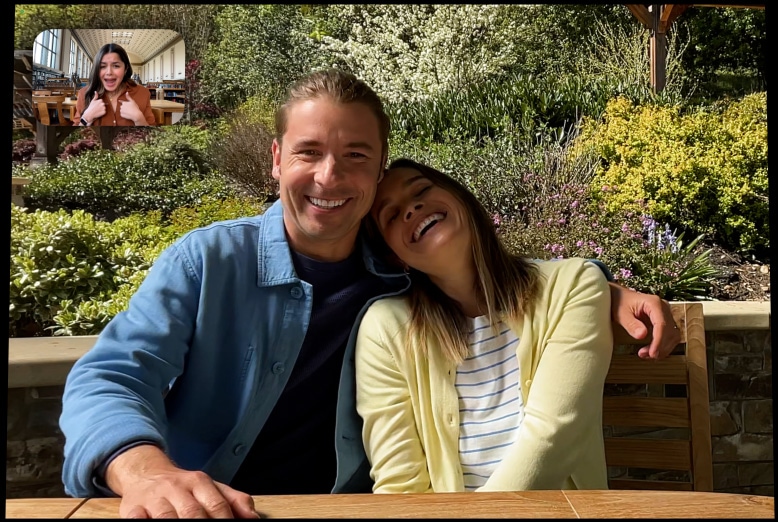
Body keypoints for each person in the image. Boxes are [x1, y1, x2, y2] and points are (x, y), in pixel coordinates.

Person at [59, 68, 680, 519]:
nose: (329, 177)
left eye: (355, 156)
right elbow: (111, 376)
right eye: (309, 152)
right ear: (276, 159)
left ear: (379, 170)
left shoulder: (400, 270)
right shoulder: (208, 262)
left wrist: (603, 288)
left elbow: (489, 272)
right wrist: (146, 472)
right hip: (209, 506)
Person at [357, 158, 615, 493]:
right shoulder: (384, 329)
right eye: (391, 215)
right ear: (394, 257)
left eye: (421, 190)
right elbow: (400, 485)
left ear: (461, 197)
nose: (411, 208)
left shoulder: (573, 285)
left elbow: (553, 437)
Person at [72, 43, 155, 127]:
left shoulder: (142, 93)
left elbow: (153, 133)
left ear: (126, 69)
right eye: (102, 66)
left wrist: (139, 118)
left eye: (116, 66)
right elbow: (73, 134)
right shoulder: (84, 93)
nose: (109, 72)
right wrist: (87, 118)